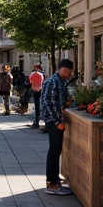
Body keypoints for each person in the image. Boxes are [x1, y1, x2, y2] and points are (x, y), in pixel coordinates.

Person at [40, 59, 74, 195]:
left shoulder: (61, 82)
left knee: (56, 150)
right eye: (66, 71)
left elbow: (62, 100)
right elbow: (48, 103)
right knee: (54, 151)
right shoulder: (52, 82)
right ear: (61, 69)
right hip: (53, 121)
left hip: (56, 120)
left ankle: (54, 181)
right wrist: (57, 121)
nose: (67, 74)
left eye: (69, 72)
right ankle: (52, 184)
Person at [28, 64, 45, 128]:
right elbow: (43, 82)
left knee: (37, 106)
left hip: (35, 90)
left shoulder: (32, 74)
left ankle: (37, 121)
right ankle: (42, 121)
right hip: (41, 90)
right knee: (41, 105)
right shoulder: (41, 75)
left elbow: (30, 81)